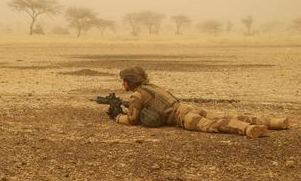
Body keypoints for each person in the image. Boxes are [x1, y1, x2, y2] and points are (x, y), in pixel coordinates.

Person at [114, 67, 290, 138]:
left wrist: (117, 117)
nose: (122, 84)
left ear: (130, 81)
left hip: (182, 117)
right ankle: (275, 122)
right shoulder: (151, 86)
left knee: (215, 125)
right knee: (226, 115)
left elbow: (133, 120)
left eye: (124, 81)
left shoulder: (137, 95)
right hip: (185, 107)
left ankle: (248, 129)